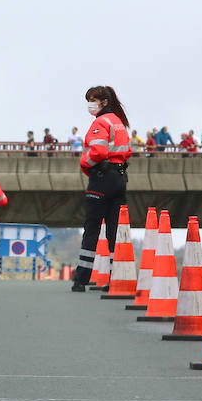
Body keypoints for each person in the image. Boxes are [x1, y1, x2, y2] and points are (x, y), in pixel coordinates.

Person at [70, 85, 130, 291]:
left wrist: (84, 162)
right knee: (115, 229)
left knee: (92, 228)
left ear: (104, 102)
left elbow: (97, 151)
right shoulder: (119, 123)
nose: (90, 105)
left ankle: (81, 280)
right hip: (120, 177)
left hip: (102, 177)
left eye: (92, 100)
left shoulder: (100, 122)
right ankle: (116, 279)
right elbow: (126, 151)